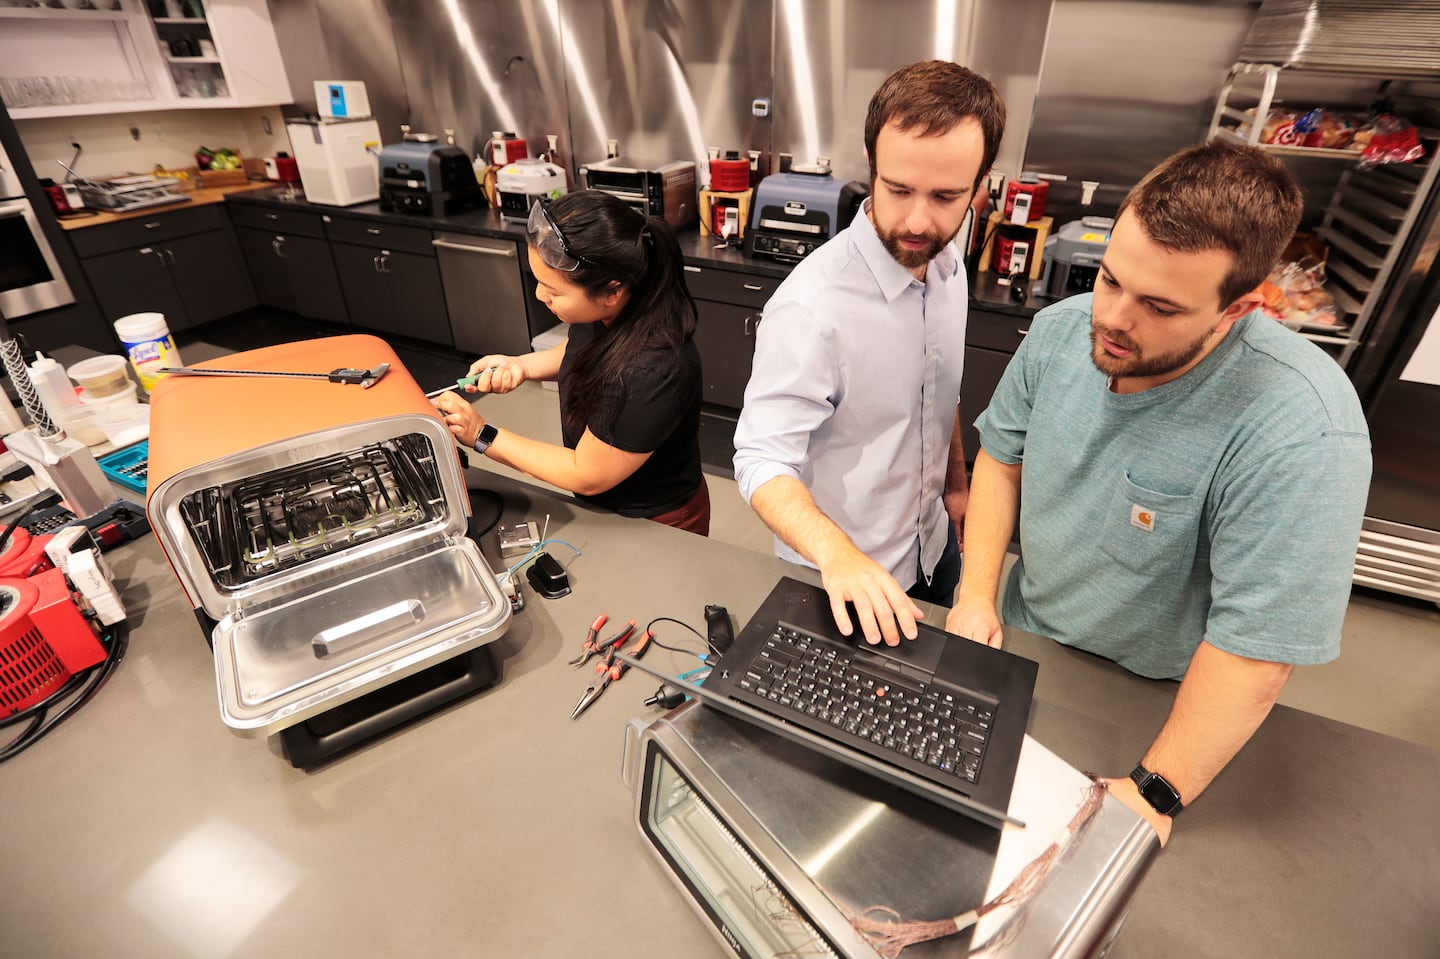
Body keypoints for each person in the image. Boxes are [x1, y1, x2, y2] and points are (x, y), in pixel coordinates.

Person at [946, 140, 1372, 844]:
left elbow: (1254, 650)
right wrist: (976, 596)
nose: (1113, 318)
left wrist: (1155, 789)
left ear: (1239, 310)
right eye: (1110, 279)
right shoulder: (1059, 332)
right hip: (1023, 642)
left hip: (1157, 701)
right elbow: (1002, 457)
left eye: (1159, 306)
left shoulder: (1302, 429)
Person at [733, 60, 1006, 647]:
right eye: (898, 189)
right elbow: (761, 461)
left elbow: (938, 390)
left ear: (981, 186)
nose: (916, 220)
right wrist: (839, 557)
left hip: (934, 546)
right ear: (872, 169)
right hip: (849, 579)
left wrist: (956, 486)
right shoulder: (812, 309)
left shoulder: (950, 269)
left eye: (945, 197)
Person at [433, 190, 709, 535]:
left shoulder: (653, 368)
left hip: (653, 520)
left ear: (612, 291)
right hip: (605, 502)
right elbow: (578, 349)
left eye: (554, 290)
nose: (539, 295)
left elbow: (586, 473)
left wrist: (482, 434)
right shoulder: (610, 311)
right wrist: (521, 366)